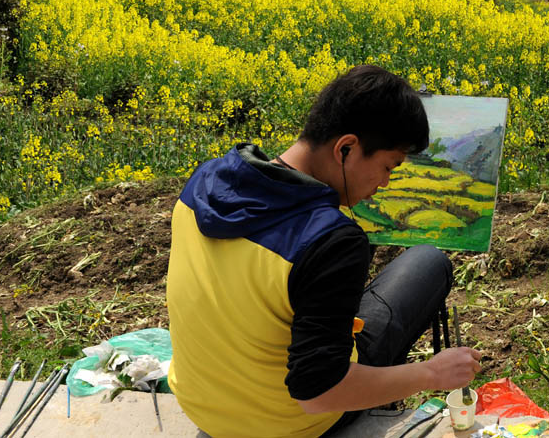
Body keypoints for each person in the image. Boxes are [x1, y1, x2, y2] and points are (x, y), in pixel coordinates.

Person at [166, 65, 482, 437]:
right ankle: (376, 404)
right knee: (429, 262)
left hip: (204, 409)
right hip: (287, 423)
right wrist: (430, 373)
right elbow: (317, 393)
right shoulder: (331, 241)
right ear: (345, 148)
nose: (384, 183)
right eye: (387, 167)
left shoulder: (204, 184)